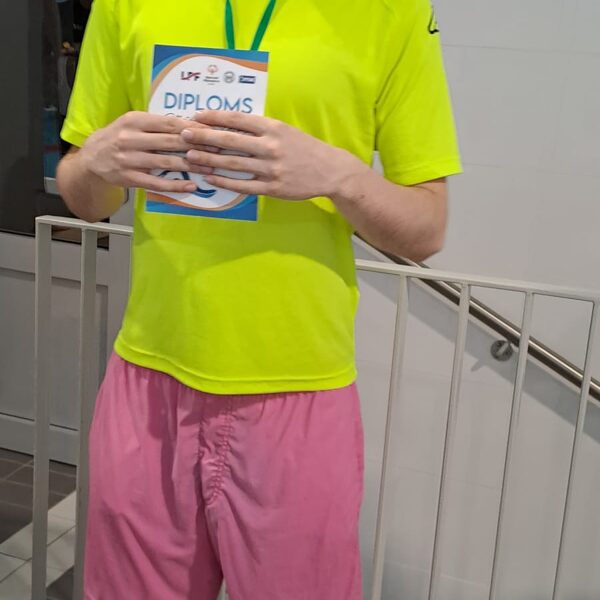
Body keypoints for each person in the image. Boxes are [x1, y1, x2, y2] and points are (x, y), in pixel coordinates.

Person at [56, 0, 461, 598]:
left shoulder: (391, 12)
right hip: (149, 375)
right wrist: (94, 164)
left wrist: (339, 177)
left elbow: (426, 230)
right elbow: (85, 198)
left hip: (298, 389)